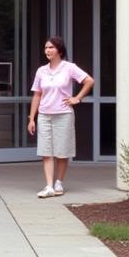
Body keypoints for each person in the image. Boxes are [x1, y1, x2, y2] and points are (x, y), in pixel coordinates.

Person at [26, 36, 94, 198]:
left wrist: (77, 98)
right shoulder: (41, 71)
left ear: (60, 50)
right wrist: (31, 119)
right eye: (46, 48)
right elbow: (37, 95)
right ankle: (49, 186)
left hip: (63, 114)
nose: (47, 50)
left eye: (51, 47)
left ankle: (59, 183)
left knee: (62, 152)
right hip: (44, 115)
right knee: (46, 151)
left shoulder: (69, 67)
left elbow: (89, 81)